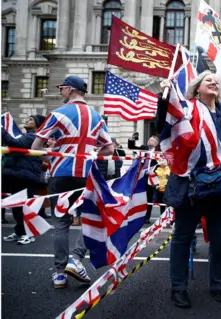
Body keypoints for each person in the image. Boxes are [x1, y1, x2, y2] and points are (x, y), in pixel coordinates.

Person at [155, 71, 221, 308]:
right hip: (189, 185)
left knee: (219, 240)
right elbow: (163, 122)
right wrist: (164, 98)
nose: (214, 81)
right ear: (196, 88)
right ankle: (178, 288)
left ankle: (217, 284)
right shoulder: (185, 109)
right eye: (208, 80)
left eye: (217, 80)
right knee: (182, 238)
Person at [31, 75, 114, 289]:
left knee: (61, 222)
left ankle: (60, 273)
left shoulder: (58, 113)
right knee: (90, 218)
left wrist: (52, 157)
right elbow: (109, 149)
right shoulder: (97, 116)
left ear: (69, 90)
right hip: (86, 174)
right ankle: (76, 259)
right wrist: (89, 152)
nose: (60, 92)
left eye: (61, 89)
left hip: (61, 173)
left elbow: (36, 146)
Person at [2, 115, 47, 245]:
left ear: (38, 125)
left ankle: (28, 233)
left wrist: (2, 130)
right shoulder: (25, 136)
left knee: (24, 206)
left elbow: (16, 143)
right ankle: (19, 231)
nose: (27, 120)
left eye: (31, 120)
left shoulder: (33, 137)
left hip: (25, 175)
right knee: (16, 205)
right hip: (16, 173)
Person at [128, 134, 160, 224]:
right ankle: (137, 216)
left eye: (152, 140)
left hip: (151, 177)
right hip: (141, 176)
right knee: (139, 196)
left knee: (149, 197)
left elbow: (161, 165)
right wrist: (132, 139)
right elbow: (131, 147)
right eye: (149, 140)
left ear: (156, 143)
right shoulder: (143, 148)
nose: (149, 141)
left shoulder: (159, 152)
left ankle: (147, 217)